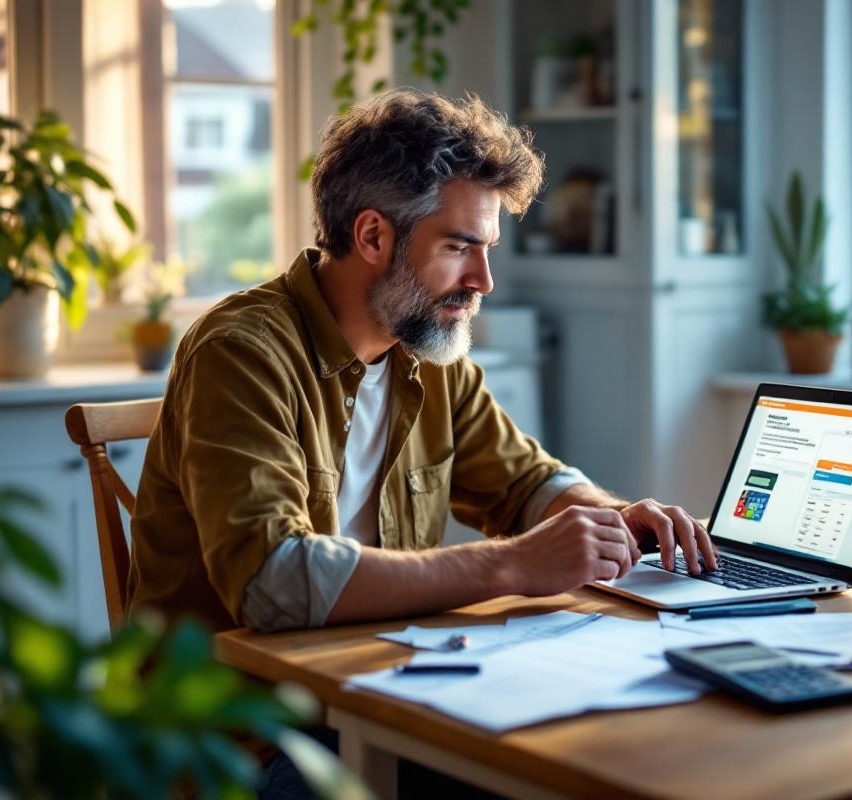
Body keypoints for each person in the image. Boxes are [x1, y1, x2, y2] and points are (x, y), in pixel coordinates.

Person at [128, 88, 717, 638]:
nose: (483, 281)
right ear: (373, 237)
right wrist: (512, 565)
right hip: (243, 728)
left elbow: (526, 484)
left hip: (381, 675)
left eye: (486, 251)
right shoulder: (241, 353)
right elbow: (272, 581)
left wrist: (617, 520)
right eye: (459, 248)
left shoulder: (428, 350)